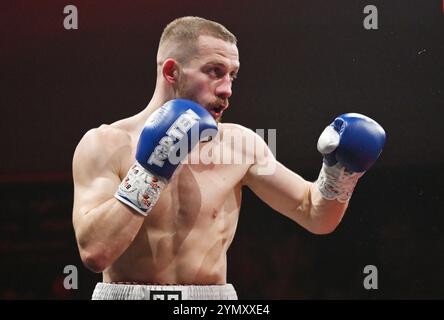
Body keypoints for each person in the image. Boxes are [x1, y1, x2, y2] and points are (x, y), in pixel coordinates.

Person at [72, 16, 386, 300]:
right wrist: (150, 169)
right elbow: (95, 253)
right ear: (171, 71)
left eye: (232, 76)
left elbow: (314, 214)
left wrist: (340, 173)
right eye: (214, 72)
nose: (227, 89)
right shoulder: (105, 144)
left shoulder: (240, 144)